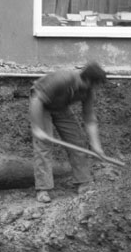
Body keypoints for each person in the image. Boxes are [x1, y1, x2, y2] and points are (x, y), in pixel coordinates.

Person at [29, 62, 108, 204]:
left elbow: (89, 118)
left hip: (61, 106)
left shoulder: (88, 91)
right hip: (42, 105)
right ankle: (43, 189)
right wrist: (37, 128)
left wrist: (96, 145)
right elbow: (36, 99)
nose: (96, 88)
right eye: (96, 85)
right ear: (89, 81)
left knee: (77, 141)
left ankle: (83, 181)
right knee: (44, 145)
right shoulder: (63, 78)